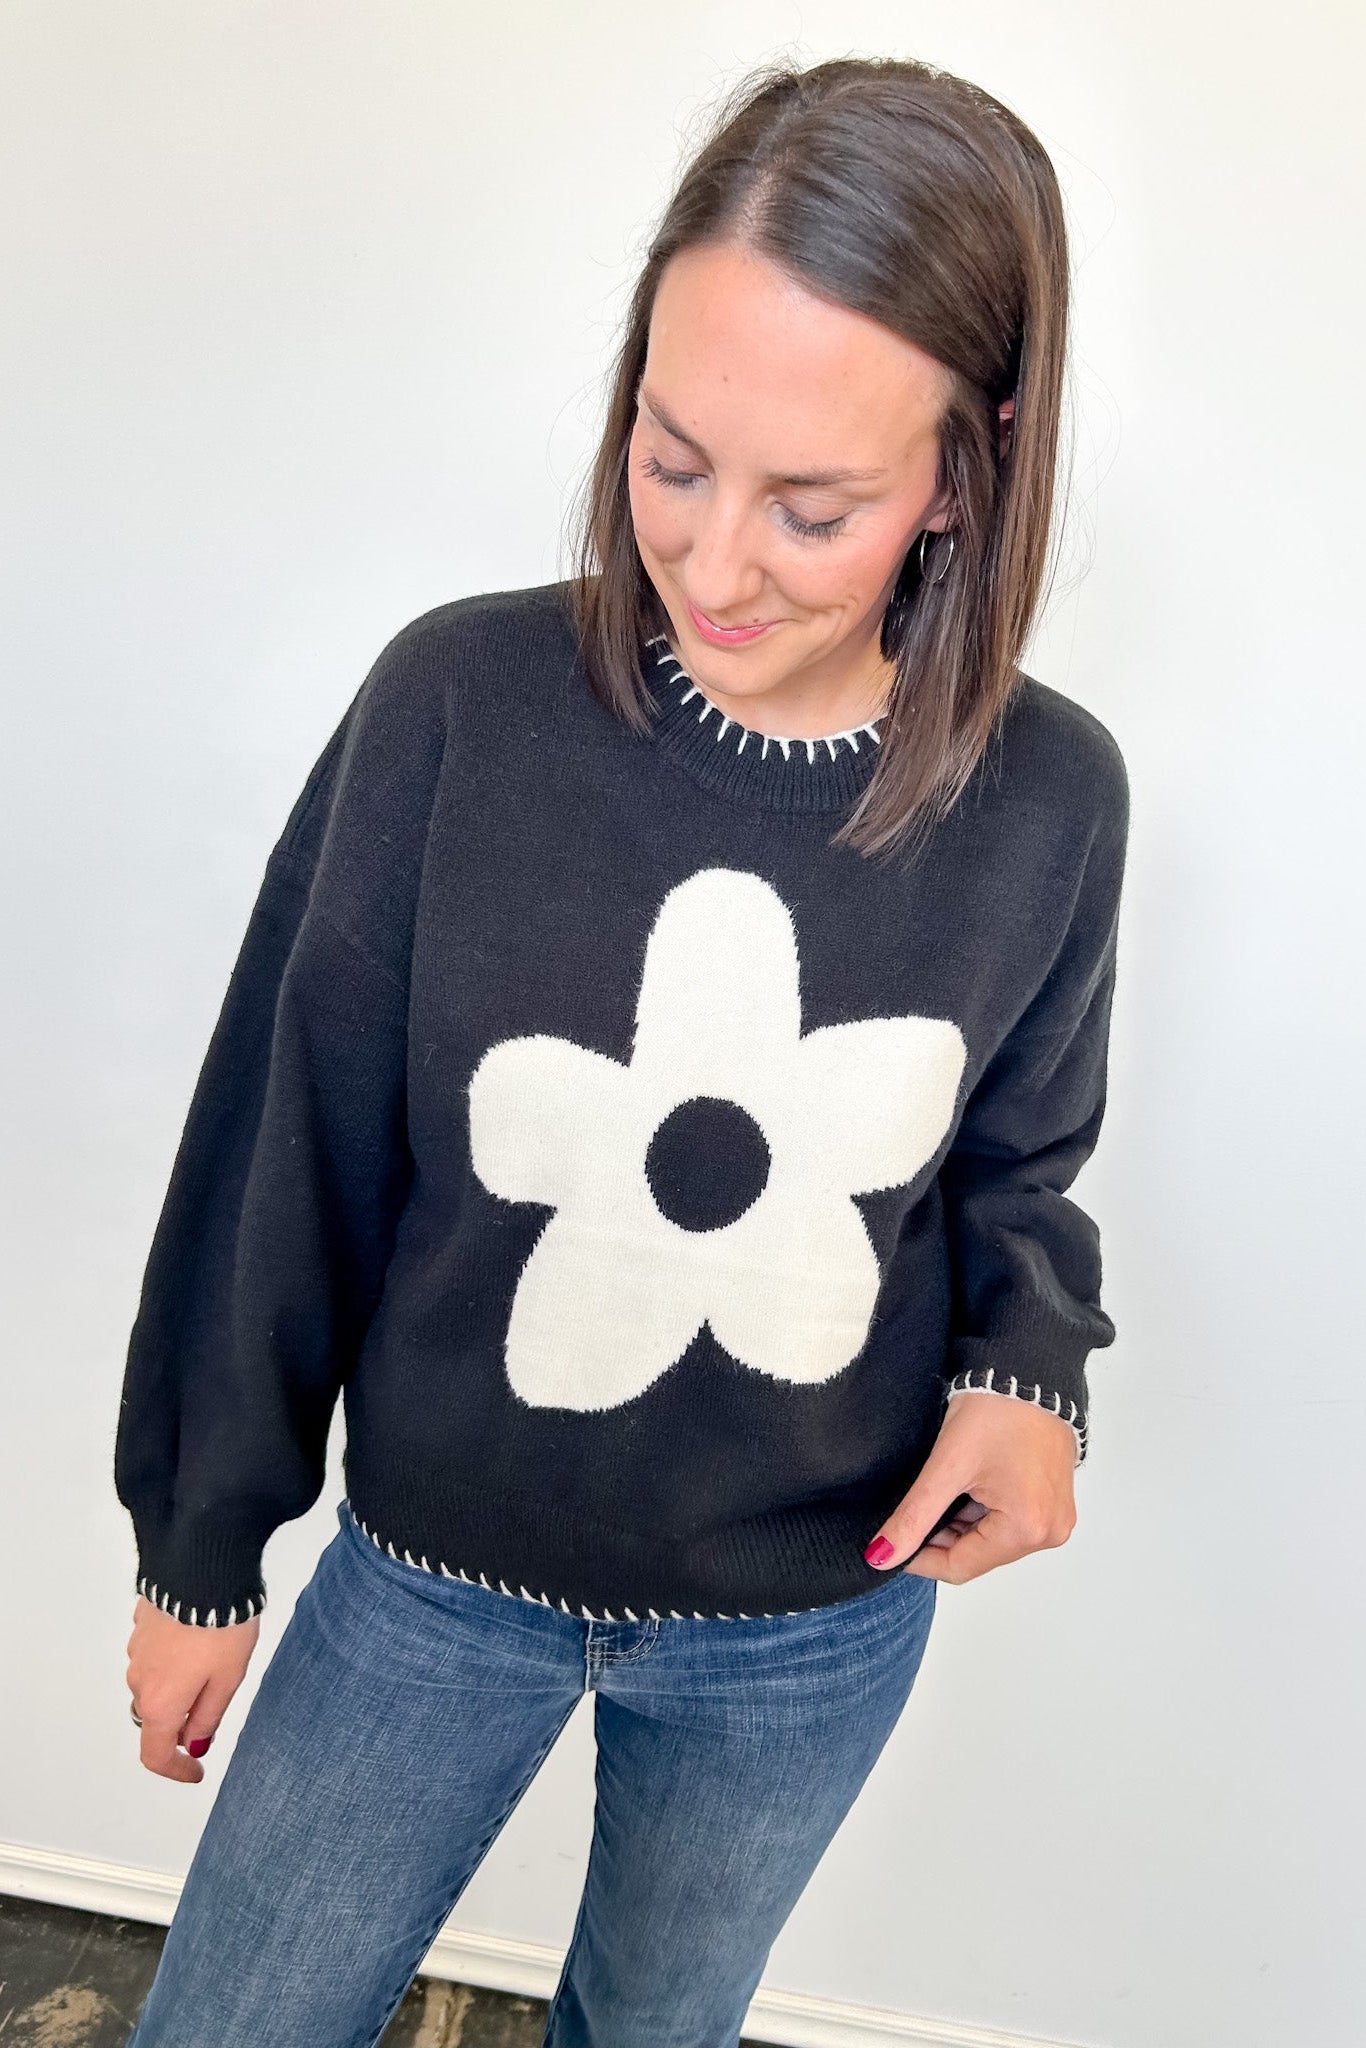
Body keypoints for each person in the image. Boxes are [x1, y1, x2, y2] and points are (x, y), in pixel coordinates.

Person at [116, 53, 1128, 2048]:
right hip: (426, 1573)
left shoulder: (1051, 798)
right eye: (671, 459)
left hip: (808, 1619)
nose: (716, 561)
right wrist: (199, 1544)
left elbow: (1018, 1159)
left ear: (969, 460)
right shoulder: (455, 705)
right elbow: (280, 1147)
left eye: (812, 505)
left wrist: (1031, 1375)